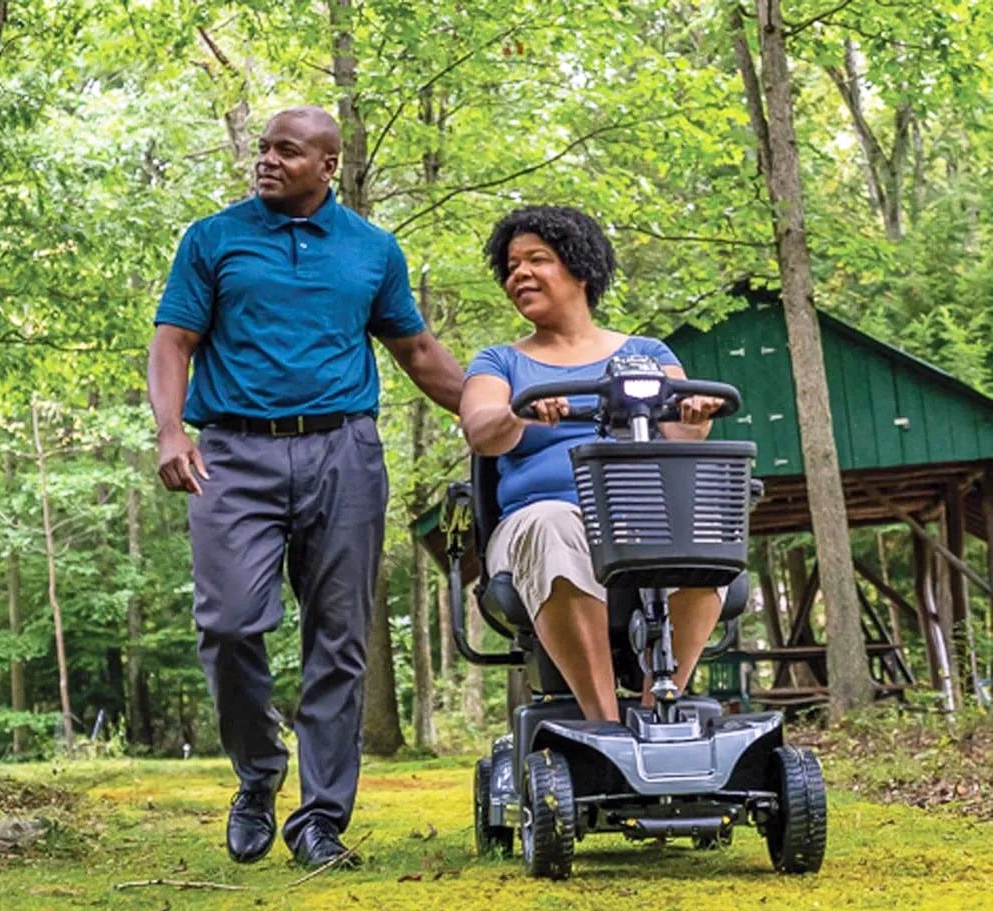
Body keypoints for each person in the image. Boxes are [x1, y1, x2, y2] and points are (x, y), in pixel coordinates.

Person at [147, 106, 463, 868]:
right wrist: (169, 430)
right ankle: (258, 775)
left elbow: (417, 350)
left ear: (328, 164)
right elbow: (173, 341)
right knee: (227, 626)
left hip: (344, 454)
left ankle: (321, 821)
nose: (266, 161)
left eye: (286, 151)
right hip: (232, 454)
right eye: (262, 149)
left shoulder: (371, 250)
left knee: (339, 640)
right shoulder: (214, 238)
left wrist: (501, 414)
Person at [459, 205, 724, 722]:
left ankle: (656, 710)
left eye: (538, 260)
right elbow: (481, 429)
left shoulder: (646, 353)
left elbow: (684, 431)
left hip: (639, 520)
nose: (521, 274)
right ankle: (603, 725)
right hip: (540, 520)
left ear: (580, 269)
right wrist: (521, 413)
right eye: (512, 266)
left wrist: (693, 413)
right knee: (556, 523)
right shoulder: (500, 362)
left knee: (708, 525)